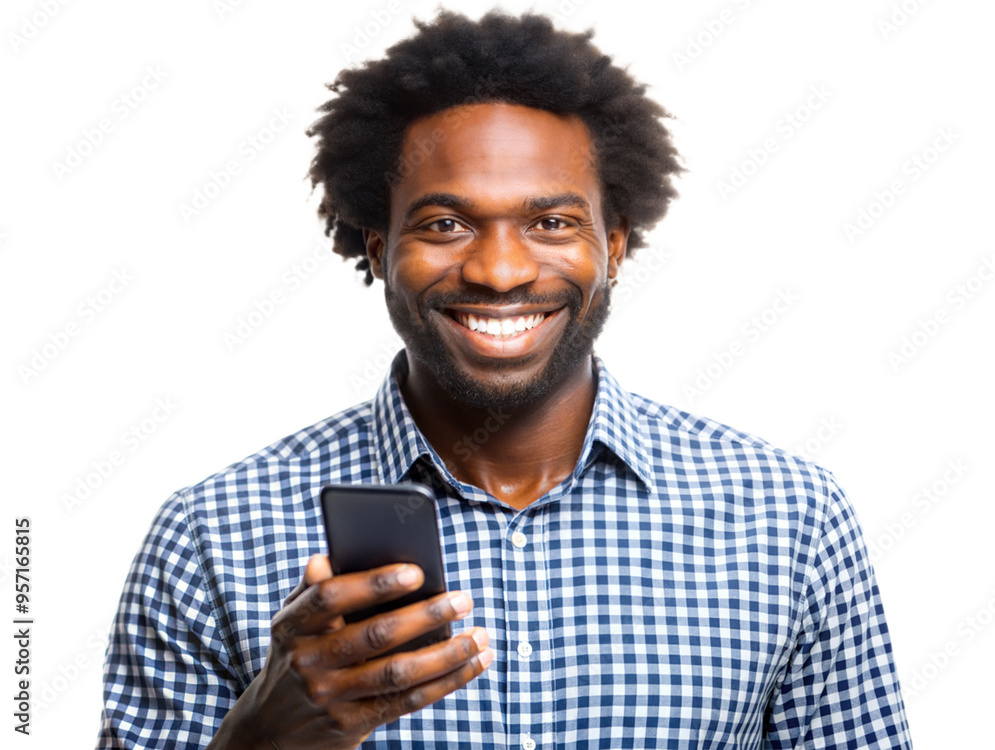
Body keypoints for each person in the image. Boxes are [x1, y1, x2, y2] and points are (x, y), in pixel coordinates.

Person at [97, 10, 912, 749]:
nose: (498, 270)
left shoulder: (789, 519)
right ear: (377, 246)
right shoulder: (210, 538)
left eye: (550, 222)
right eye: (445, 224)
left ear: (615, 244)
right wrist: (261, 742)